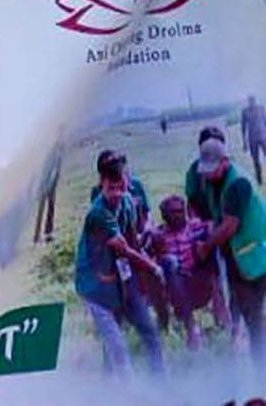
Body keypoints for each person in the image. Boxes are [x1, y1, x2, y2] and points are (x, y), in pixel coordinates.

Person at [77, 150, 165, 375]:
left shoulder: (128, 201)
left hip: (122, 280)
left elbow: (133, 240)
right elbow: (123, 248)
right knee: (117, 349)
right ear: (101, 184)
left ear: (126, 179)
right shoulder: (98, 213)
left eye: (120, 186)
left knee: (150, 331)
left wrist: (144, 271)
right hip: (97, 287)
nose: (116, 193)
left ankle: (162, 387)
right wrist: (153, 268)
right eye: (110, 188)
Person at [186, 134, 266, 368]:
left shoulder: (237, 183)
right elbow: (212, 215)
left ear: (225, 161)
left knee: (255, 316)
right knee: (251, 316)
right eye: (206, 169)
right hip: (238, 259)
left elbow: (230, 225)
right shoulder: (213, 183)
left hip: (255, 258)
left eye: (213, 168)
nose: (208, 174)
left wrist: (206, 246)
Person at [144, 192, 224, 350]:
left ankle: (223, 319)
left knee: (213, 262)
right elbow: (145, 258)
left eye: (180, 211)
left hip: (197, 282)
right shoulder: (158, 234)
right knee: (169, 262)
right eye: (173, 212)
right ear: (164, 215)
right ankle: (190, 327)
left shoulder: (195, 227)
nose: (178, 215)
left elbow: (216, 227)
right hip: (173, 285)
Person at [244, 96, 266, 186]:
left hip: (263, 137)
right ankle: (259, 180)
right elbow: (243, 127)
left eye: (253, 101)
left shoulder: (261, 109)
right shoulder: (245, 112)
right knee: (255, 160)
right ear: (248, 102)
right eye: (250, 101)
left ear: (255, 101)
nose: (252, 103)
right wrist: (244, 142)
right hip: (252, 139)